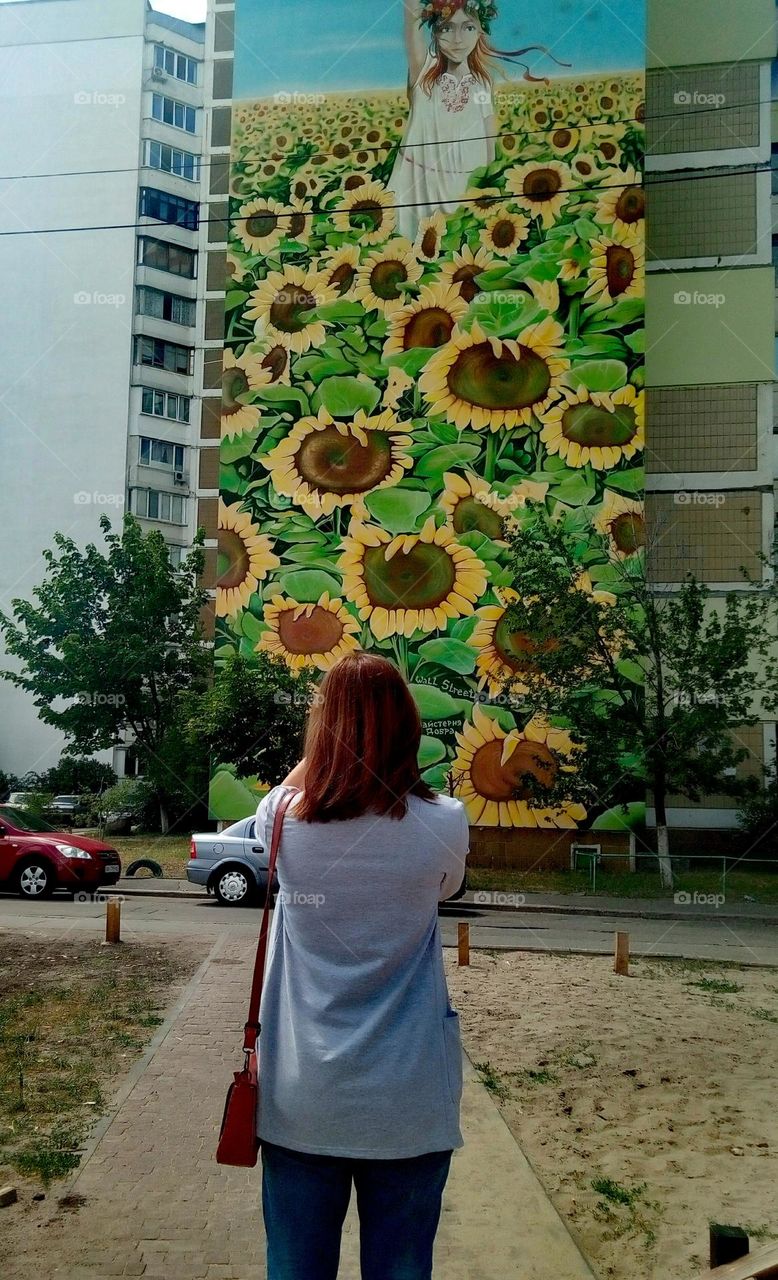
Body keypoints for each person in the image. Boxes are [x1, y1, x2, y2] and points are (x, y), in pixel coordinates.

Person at [255, 651, 470, 1280]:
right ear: (410, 726)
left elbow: (293, 788)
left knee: (295, 1268)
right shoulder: (445, 823)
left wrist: (328, 741)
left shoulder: (282, 823)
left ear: (322, 730)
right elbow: (446, 890)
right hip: (408, 1101)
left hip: (302, 1099)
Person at [388, 0, 571, 239]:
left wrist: (488, 188)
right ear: (434, 31)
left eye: (468, 28)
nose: (457, 39)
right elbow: (411, 20)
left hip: (464, 184)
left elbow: (488, 140)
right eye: (446, 28)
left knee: (459, 244)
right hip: (420, 183)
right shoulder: (423, 71)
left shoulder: (482, 83)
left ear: (480, 32)